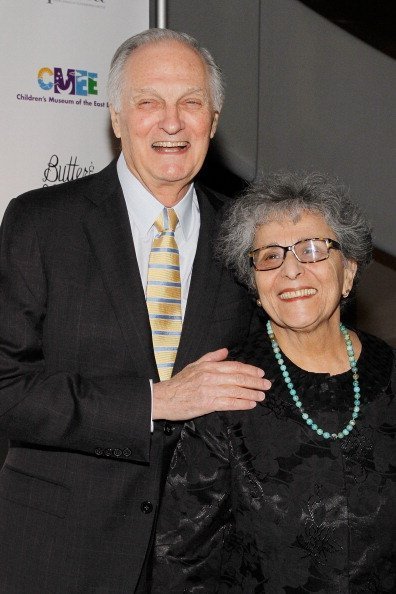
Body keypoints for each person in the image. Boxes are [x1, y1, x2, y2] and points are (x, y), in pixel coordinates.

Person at [0, 29, 270, 593]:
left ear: (213, 121)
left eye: (191, 102)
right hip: (59, 555)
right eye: (149, 102)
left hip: (202, 563)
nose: (171, 122)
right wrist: (157, 401)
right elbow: (8, 389)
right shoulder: (41, 223)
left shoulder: (249, 244)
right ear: (117, 119)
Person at [153, 172, 396, 593]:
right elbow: (183, 562)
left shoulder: (390, 371)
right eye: (269, 256)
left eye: (313, 249)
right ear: (255, 283)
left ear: (349, 271)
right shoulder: (225, 391)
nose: (291, 270)